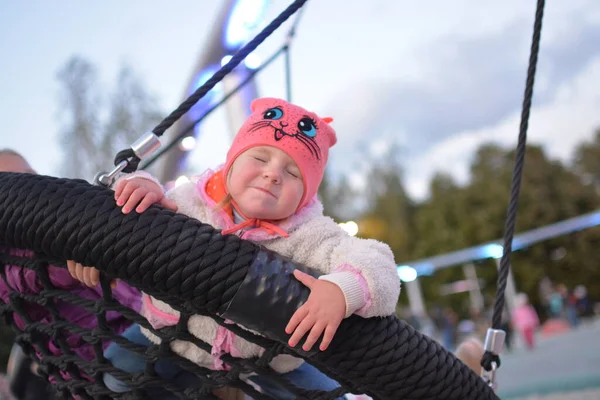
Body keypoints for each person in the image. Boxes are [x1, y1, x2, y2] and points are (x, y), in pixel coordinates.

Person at [68, 98, 401, 399]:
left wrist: (342, 291)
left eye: (293, 173)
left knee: (327, 397)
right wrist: (136, 191)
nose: (272, 174)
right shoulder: (190, 203)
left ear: (306, 194)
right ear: (231, 163)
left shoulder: (310, 234)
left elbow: (378, 262)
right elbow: (146, 201)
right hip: (172, 336)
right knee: (114, 376)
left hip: (265, 356)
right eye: (259, 157)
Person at [0, 149, 142, 393]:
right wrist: (68, 258)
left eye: (29, 176)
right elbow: (29, 273)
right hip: (99, 360)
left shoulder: (64, 220)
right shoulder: (8, 260)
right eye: (8, 182)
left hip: (139, 321)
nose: (23, 188)